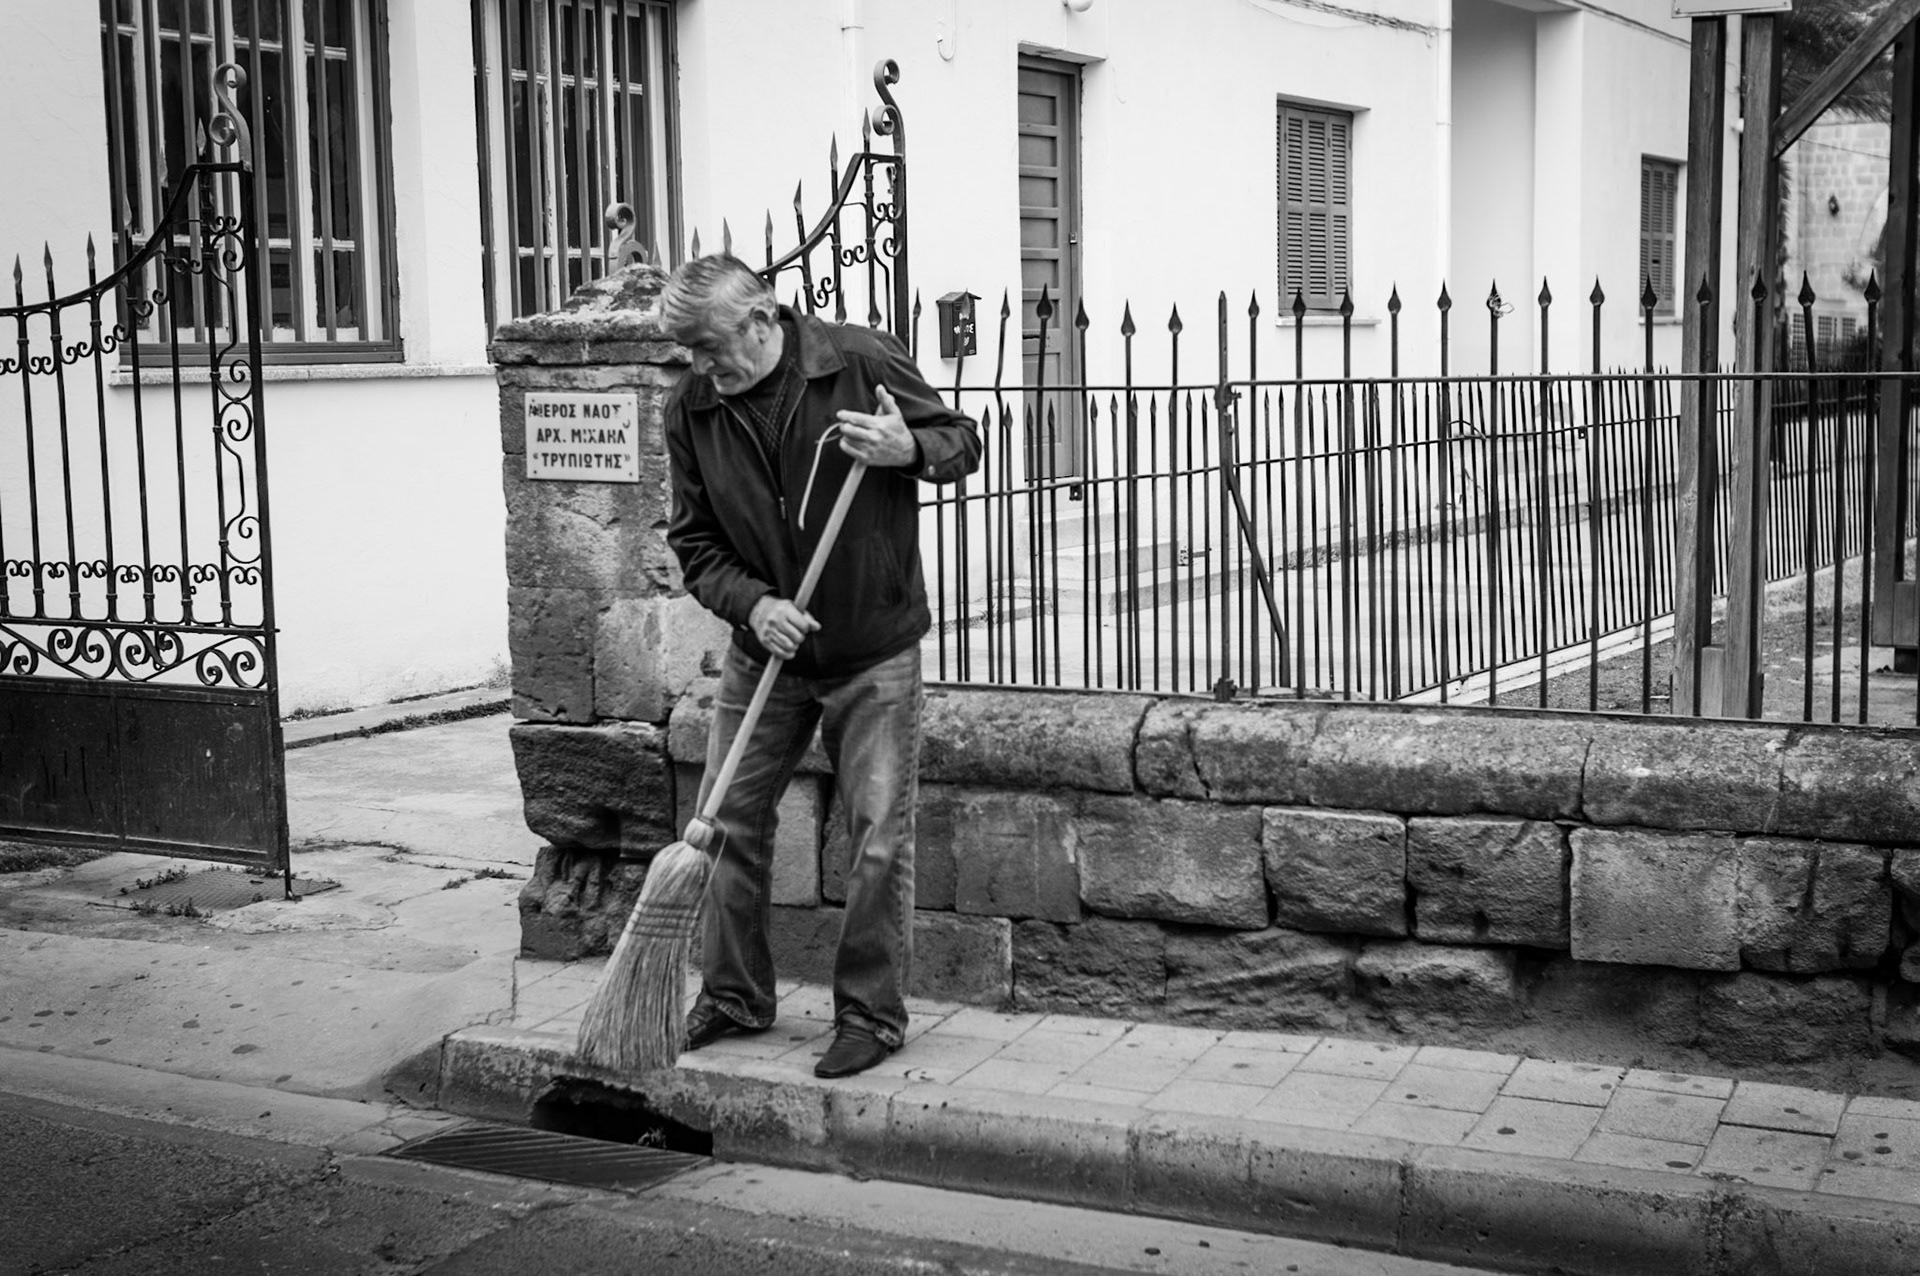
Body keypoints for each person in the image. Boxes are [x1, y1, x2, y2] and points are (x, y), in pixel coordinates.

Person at [655, 255, 982, 1078]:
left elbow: (961, 442)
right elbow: (693, 543)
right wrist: (755, 606)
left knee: (877, 836)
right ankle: (734, 996)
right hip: (766, 648)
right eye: (685, 353)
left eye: (706, 347)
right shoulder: (691, 409)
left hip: (872, 646)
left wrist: (909, 447)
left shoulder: (858, 362)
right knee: (723, 823)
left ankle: (870, 1017)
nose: (698, 367)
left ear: (760, 322)